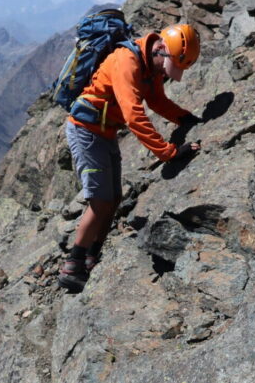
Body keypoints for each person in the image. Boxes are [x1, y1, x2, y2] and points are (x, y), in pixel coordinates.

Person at [58, 23, 203, 293]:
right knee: (100, 201)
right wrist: (168, 152)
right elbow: (133, 114)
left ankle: (92, 257)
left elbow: (157, 101)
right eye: (167, 66)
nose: (165, 72)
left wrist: (184, 118)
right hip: (85, 131)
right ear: (160, 48)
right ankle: (72, 265)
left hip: (105, 132)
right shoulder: (127, 61)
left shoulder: (151, 65)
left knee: (113, 199)